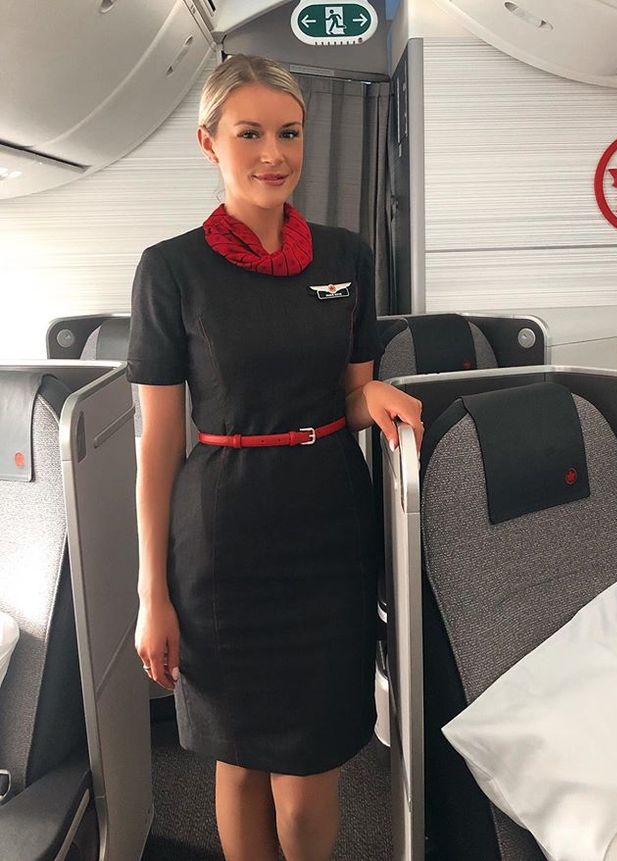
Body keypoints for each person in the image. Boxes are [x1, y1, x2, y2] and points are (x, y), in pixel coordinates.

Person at [127, 54, 423, 861]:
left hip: (327, 525)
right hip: (221, 539)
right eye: (249, 132)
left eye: (289, 133)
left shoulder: (344, 256)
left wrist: (381, 400)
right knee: (237, 760)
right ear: (208, 142)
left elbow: (349, 394)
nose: (273, 153)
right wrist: (152, 590)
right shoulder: (171, 269)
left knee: (307, 774)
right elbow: (158, 440)